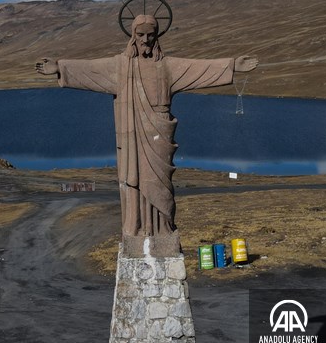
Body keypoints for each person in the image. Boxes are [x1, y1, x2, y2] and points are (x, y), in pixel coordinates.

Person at [35, 13, 257, 254]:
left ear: (157, 35)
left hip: (159, 132)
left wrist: (232, 65)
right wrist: (59, 67)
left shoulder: (167, 66)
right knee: (135, 181)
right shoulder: (120, 66)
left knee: (161, 184)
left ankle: (163, 229)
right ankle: (138, 227)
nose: (146, 39)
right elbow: (89, 69)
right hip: (133, 138)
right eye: (140, 35)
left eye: (151, 35)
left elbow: (198, 68)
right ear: (132, 36)